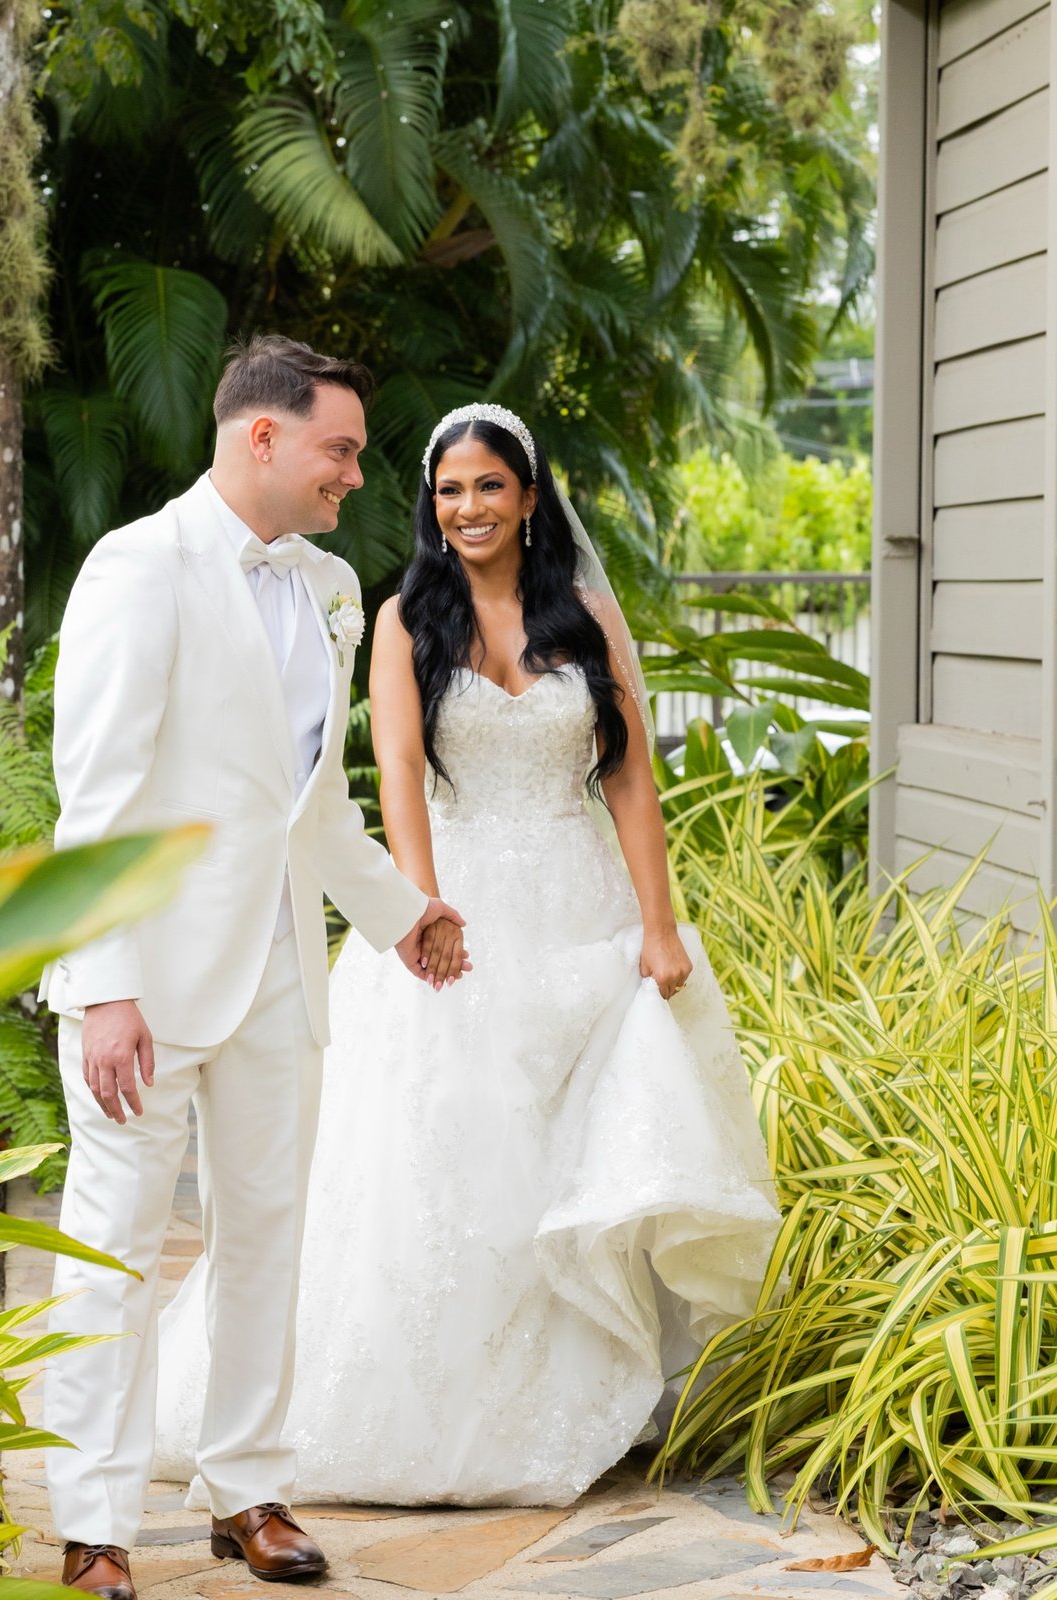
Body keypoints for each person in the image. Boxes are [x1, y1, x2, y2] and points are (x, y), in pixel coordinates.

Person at [155, 403, 780, 1507]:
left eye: (490, 486)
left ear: (529, 498)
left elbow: (627, 773)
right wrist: (417, 907)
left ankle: (583, 1391)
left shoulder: (585, 617)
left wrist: (659, 921)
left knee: (574, 1141)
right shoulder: (403, 619)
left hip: (580, 908)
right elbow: (395, 767)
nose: (468, 508)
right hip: (458, 907)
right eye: (449, 490)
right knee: (448, 1140)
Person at [39, 337, 469, 1597]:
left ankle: (247, 1490)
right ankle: (96, 1524)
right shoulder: (138, 567)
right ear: (263, 437)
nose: (356, 472)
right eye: (339, 448)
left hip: (283, 966)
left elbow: (312, 806)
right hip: (148, 983)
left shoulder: (332, 583)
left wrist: (401, 915)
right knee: (111, 1248)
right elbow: (96, 798)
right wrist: (104, 982)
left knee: (266, 1239)